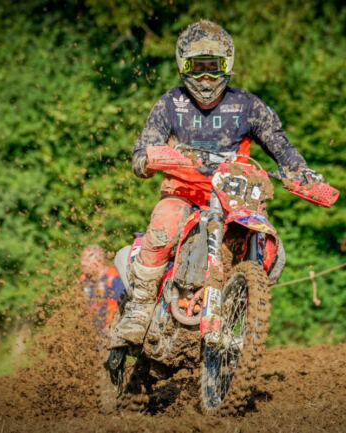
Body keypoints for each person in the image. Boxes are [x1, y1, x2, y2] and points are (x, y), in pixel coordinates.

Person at [110, 20, 325, 348]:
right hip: (184, 192)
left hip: (234, 195)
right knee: (165, 222)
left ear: (228, 65)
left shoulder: (248, 106)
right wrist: (148, 159)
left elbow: (281, 145)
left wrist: (301, 171)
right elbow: (143, 150)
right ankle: (139, 308)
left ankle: (241, 305)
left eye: (214, 67)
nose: (206, 78)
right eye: (198, 68)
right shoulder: (171, 103)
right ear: (184, 66)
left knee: (270, 247)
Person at [79, 244, 125, 329]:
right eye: (82, 260)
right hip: (89, 331)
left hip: (110, 330)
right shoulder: (84, 279)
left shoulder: (114, 278)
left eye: (86, 260)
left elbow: (125, 307)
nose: (82, 263)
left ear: (99, 260)